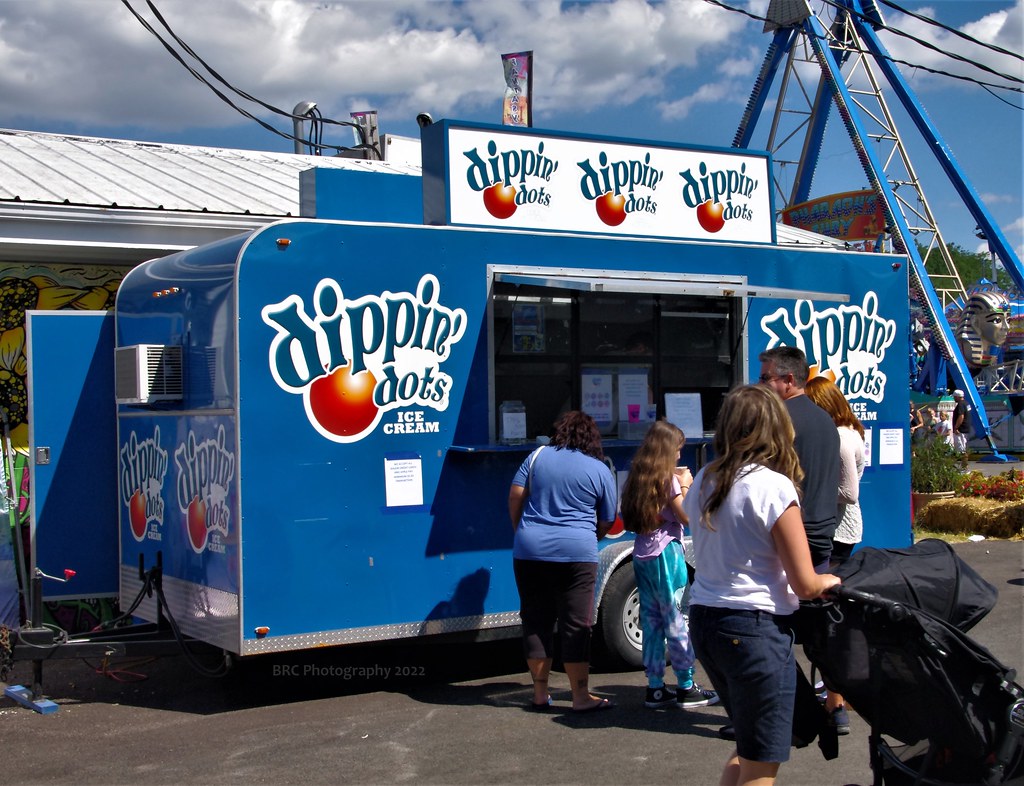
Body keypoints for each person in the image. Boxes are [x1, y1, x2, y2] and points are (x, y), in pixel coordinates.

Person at [683, 385, 841, 786]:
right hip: (754, 630)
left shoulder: (704, 478)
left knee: (748, 749)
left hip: (706, 620)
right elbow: (805, 583)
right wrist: (832, 579)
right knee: (761, 765)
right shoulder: (772, 486)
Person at [508, 410, 618, 713]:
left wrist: (522, 531)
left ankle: (540, 694)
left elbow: (516, 495)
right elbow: (608, 518)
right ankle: (580, 697)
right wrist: (586, 537)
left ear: (559, 432)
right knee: (576, 625)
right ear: (592, 437)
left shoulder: (537, 456)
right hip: (578, 553)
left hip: (530, 550)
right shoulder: (599, 469)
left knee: (535, 619)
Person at [619, 419, 719, 710]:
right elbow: (687, 516)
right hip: (666, 555)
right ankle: (686, 685)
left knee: (650, 623)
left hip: (642, 554)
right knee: (676, 620)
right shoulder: (669, 479)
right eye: (677, 449)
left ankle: (655, 686)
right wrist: (687, 485)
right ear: (666, 450)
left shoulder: (638, 476)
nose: (679, 455)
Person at [804, 376, 866, 735]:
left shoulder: (841, 437)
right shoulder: (847, 431)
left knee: (827, 615)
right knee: (829, 613)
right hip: (839, 526)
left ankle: (835, 697)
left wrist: (810, 489)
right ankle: (836, 693)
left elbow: (849, 491)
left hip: (839, 529)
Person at [758, 347, 840, 571]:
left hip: (787, 538)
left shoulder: (776, 420)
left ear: (789, 380)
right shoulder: (826, 420)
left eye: (765, 378)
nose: (760, 385)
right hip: (822, 537)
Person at [951, 389, 971, 458]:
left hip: (960, 430)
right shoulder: (966, 403)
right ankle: (964, 466)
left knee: (962, 449)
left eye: (954, 397)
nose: (954, 398)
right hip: (966, 428)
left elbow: (961, 416)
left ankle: (964, 466)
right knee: (964, 448)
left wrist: (956, 427)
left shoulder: (960, 405)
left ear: (957, 396)